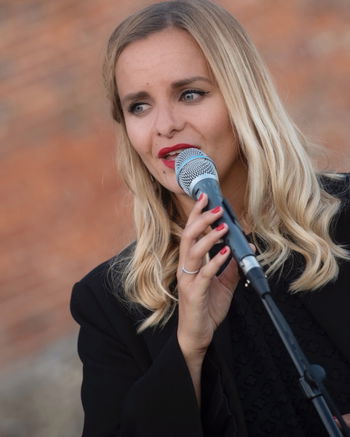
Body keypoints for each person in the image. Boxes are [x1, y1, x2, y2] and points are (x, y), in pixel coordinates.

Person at [70, 1, 350, 436]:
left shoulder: (343, 214)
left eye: (190, 94)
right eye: (138, 106)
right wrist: (188, 346)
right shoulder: (111, 303)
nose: (165, 125)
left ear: (243, 96)